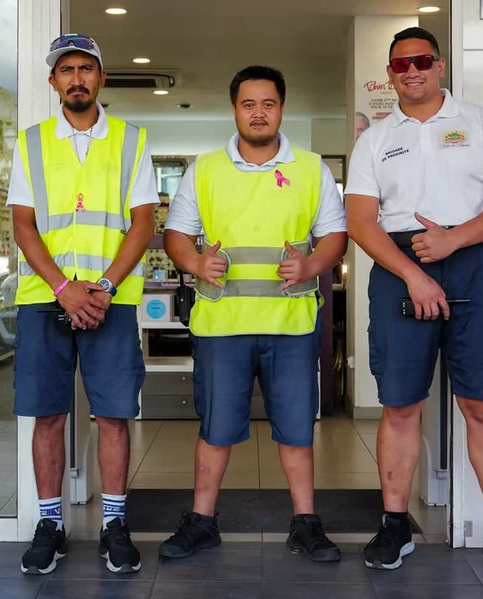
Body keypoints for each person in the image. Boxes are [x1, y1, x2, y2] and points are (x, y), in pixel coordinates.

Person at [343, 27, 483, 578]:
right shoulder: (376, 139)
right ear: (389, 73)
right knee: (401, 405)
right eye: (401, 65)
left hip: (472, 258)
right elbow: (361, 221)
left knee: (482, 405)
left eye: (421, 61)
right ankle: (395, 525)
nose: (412, 71)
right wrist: (412, 273)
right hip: (398, 265)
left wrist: (454, 239)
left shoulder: (481, 126)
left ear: (440, 64)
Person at [160, 65, 348, 561]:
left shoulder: (311, 168)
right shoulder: (204, 169)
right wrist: (197, 260)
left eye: (268, 103)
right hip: (223, 327)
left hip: (290, 324)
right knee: (215, 428)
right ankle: (201, 522)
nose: (258, 112)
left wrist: (312, 263)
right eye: (249, 104)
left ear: (281, 108)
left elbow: (335, 236)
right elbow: (175, 235)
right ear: (235, 109)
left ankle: (306, 524)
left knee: (295, 429)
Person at [8, 33, 158, 575]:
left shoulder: (131, 140)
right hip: (46, 298)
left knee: (113, 415)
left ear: (101, 77)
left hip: (109, 301)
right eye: (66, 70)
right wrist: (63, 289)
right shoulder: (30, 143)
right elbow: (23, 226)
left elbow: (144, 222)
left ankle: (113, 522)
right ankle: (50, 523)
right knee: (48, 416)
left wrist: (105, 287)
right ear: (53, 82)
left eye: (86, 68)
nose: (76, 78)